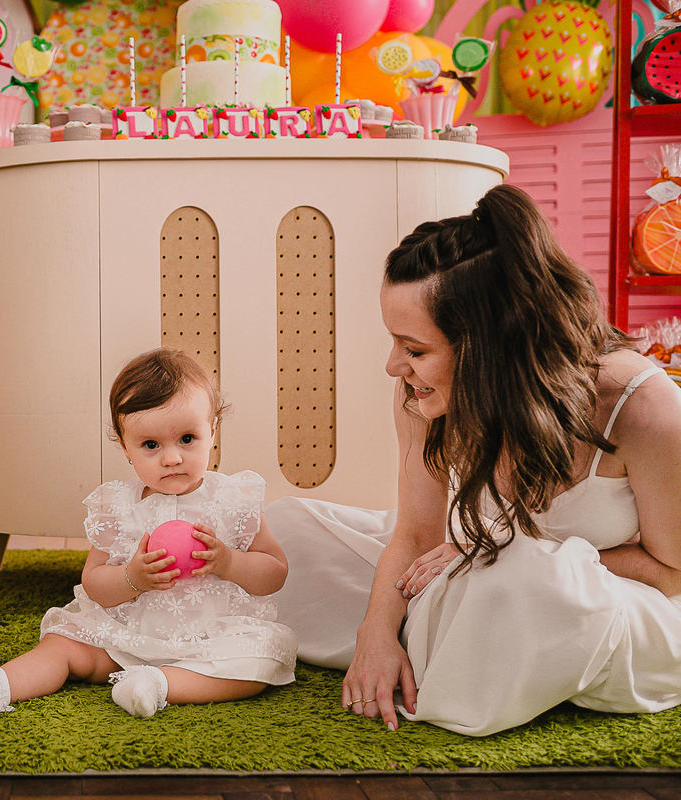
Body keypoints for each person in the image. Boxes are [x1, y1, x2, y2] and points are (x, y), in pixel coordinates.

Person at [266, 183, 681, 736]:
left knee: (520, 582)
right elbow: (415, 538)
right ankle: (440, 643)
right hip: (470, 568)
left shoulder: (643, 408)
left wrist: (500, 548)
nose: (394, 366)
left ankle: (460, 643)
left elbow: (673, 573)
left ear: (490, 347)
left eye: (414, 349)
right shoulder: (422, 395)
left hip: (599, 605)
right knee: (287, 534)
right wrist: (375, 634)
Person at [0, 348, 295, 718]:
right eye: (151, 445)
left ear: (212, 430)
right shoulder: (119, 507)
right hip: (125, 638)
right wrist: (131, 577)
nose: (172, 458)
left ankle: (158, 683)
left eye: (187, 439)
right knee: (63, 645)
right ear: (125, 447)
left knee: (260, 660)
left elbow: (274, 570)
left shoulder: (232, 501)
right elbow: (94, 583)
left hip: (213, 640)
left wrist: (229, 562)